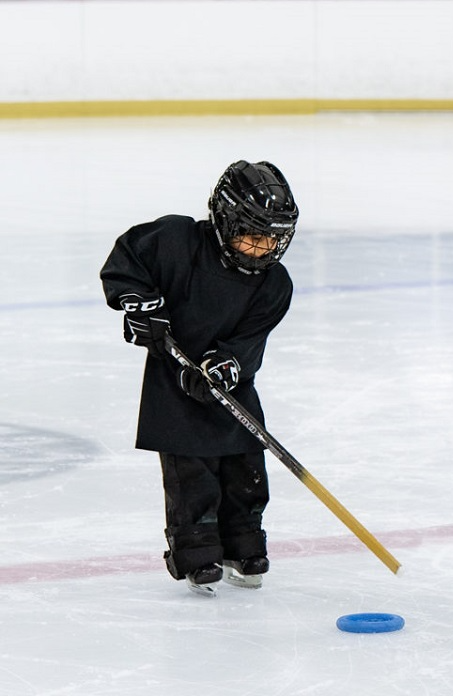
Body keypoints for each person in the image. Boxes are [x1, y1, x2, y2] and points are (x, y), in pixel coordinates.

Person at [100, 160, 298, 596]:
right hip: (175, 385)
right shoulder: (176, 241)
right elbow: (126, 260)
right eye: (252, 233)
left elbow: (251, 339)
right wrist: (138, 304)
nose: (263, 247)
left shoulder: (274, 284)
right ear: (224, 219)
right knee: (191, 474)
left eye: (273, 237)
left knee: (246, 468)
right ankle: (197, 553)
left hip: (232, 387)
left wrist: (228, 364)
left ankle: (245, 545)